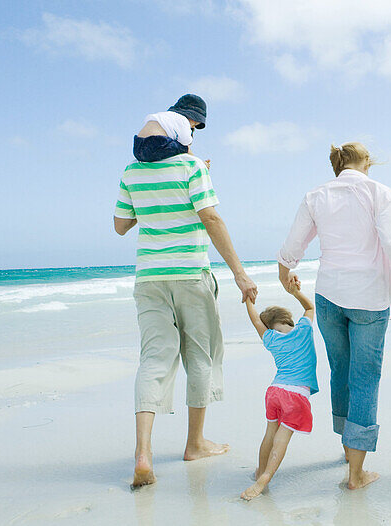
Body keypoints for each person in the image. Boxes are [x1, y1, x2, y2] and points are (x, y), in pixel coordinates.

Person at [113, 94, 258, 488]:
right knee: (201, 355)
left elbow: (121, 225)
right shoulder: (193, 166)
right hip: (190, 274)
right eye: (194, 128)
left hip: (149, 279)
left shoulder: (131, 170)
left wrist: (156, 197)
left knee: (154, 360)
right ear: (183, 128)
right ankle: (194, 443)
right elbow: (210, 217)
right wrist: (241, 275)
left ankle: (143, 453)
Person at [277, 142, 391, 490]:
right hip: (369, 297)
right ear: (366, 163)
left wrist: (284, 272)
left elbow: (293, 246)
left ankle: (348, 450)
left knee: (342, 371)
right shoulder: (379, 192)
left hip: (329, 295)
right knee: (365, 377)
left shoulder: (316, 195)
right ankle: (356, 473)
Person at [240, 285, 319, 500]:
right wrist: (295, 292)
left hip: (275, 391)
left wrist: (248, 300)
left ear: (269, 327)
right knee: (282, 439)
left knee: (270, 434)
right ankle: (265, 477)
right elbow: (310, 307)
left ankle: (259, 470)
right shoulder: (303, 329)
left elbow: (256, 321)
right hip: (296, 394)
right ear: (287, 319)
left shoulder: (271, 339)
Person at [132, 94, 202, 162]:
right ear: (192, 117)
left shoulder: (164, 116)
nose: (192, 127)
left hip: (137, 147)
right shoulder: (183, 120)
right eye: (194, 124)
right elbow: (186, 145)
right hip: (155, 145)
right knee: (182, 148)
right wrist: (198, 161)